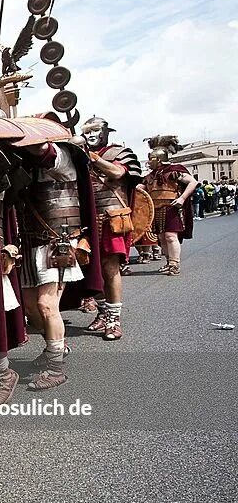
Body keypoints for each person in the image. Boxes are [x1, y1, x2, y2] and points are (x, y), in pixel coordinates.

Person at [13, 135, 99, 390]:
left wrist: (26, 135)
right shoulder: (28, 166)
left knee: (46, 304)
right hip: (32, 243)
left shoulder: (62, 157)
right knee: (30, 307)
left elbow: (44, 151)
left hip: (58, 244)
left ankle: (55, 368)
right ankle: (57, 346)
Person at [79, 117, 142, 341]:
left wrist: (93, 158)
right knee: (92, 269)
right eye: (88, 130)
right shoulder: (80, 154)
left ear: (106, 132)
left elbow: (117, 174)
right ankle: (104, 313)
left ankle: (114, 320)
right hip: (87, 218)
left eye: (96, 130)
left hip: (111, 218)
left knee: (109, 268)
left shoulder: (120, 152)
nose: (92, 134)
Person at [145, 147, 196, 275]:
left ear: (159, 159)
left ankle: (175, 263)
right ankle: (169, 262)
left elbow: (193, 182)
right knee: (161, 237)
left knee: (170, 236)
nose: (149, 162)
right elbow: (142, 187)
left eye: (151, 159)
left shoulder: (174, 170)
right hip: (156, 209)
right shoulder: (152, 175)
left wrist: (182, 198)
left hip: (171, 207)